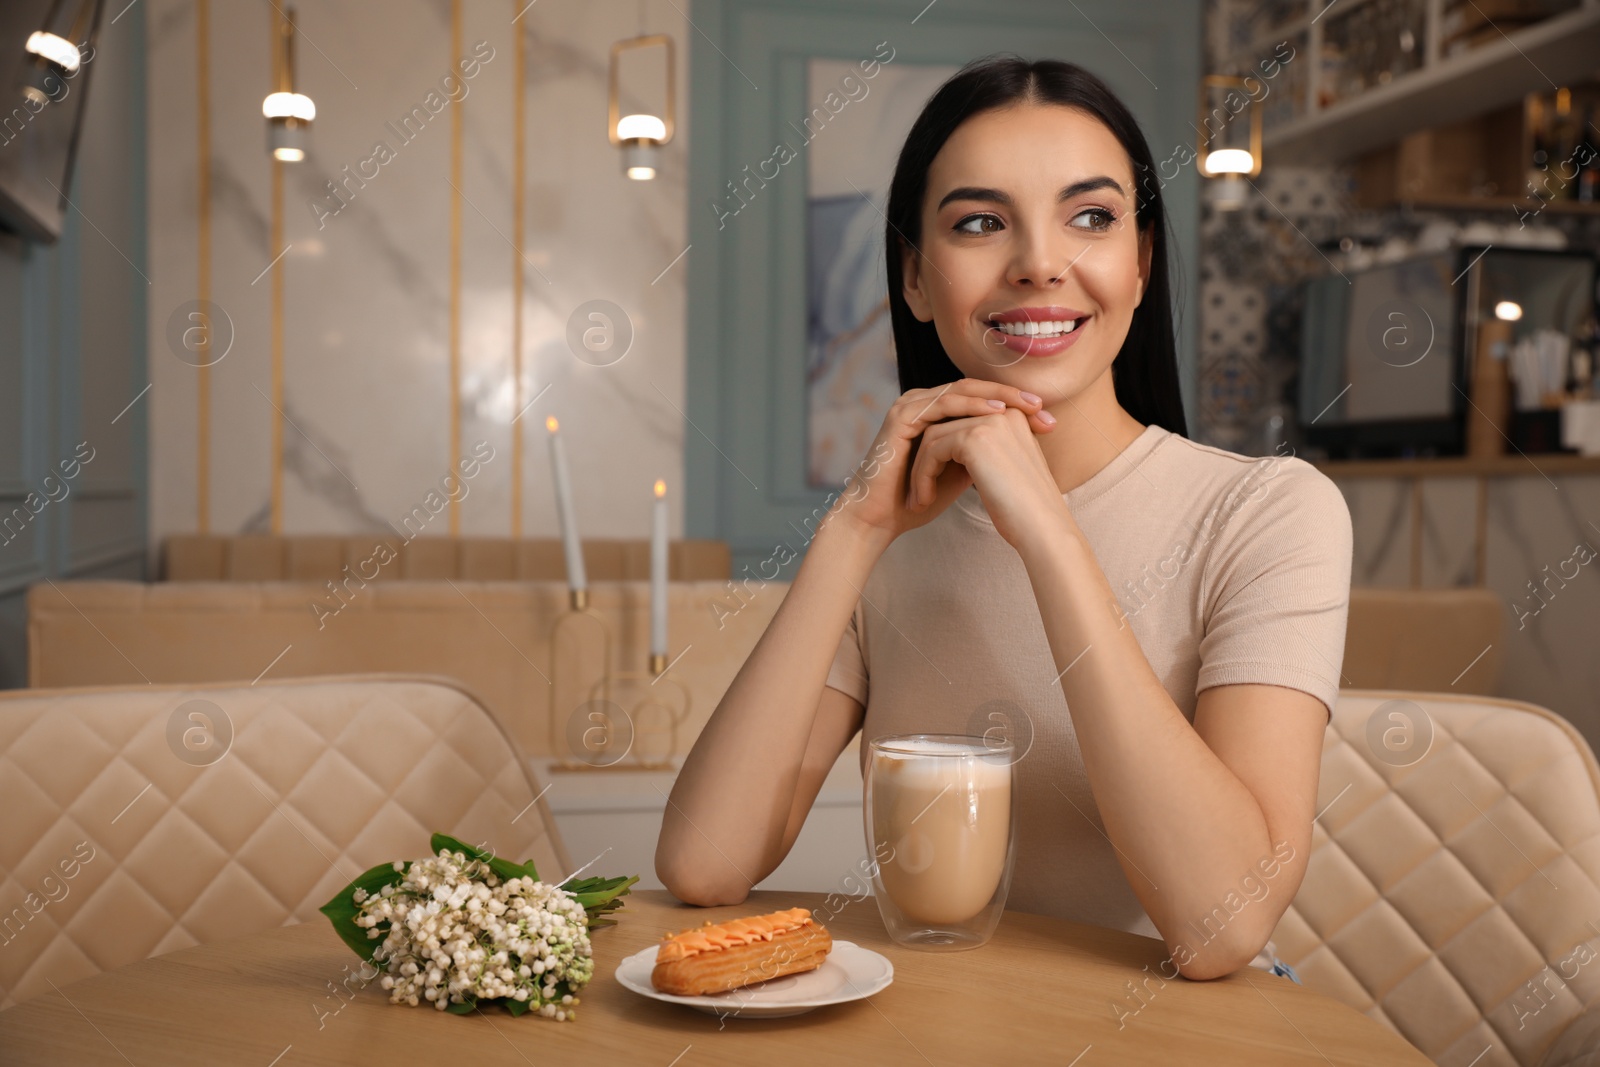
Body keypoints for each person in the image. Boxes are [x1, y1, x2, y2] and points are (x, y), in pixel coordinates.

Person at [656, 55, 1351, 980]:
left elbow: (1219, 929)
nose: (1037, 262)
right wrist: (855, 533)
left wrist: (1050, 535)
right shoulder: (891, 533)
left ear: (1139, 265)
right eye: (981, 222)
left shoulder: (1268, 512)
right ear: (913, 277)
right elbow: (705, 864)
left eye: (1091, 217)